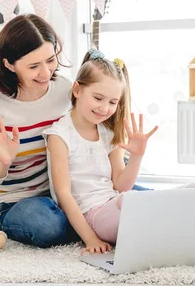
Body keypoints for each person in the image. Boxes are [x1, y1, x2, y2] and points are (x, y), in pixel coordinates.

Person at [0, 14, 148, 248]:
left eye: (51, 60)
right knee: (48, 226)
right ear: (9, 64)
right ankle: (94, 224)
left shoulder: (64, 88)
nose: (46, 73)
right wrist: (3, 163)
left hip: (80, 192)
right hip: (21, 201)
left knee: (148, 199)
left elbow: (92, 122)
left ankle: (98, 219)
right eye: (33, 66)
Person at [43, 50, 158, 255]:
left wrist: (137, 156)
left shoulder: (107, 133)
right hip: (92, 214)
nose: (105, 108)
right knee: (141, 206)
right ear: (77, 90)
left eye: (113, 102)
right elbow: (64, 195)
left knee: (148, 201)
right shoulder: (59, 135)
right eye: (98, 98)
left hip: (114, 202)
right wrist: (90, 238)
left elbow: (121, 185)